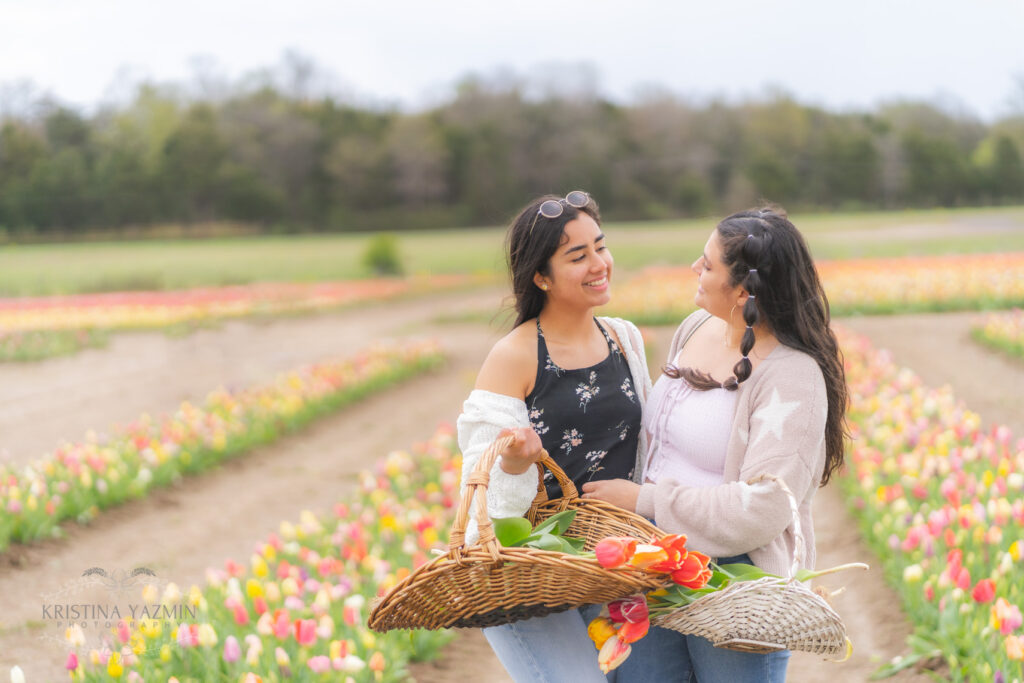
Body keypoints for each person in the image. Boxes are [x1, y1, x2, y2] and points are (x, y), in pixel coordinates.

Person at [582, 207, 849, 683]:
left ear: (744, 290)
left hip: (733, 581)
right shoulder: (696, 328)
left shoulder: (792, 376)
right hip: (652, 561)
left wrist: (646, 500)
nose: (693, 269)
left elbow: (766, 506)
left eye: (707, 265)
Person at [456, 190, 653, 683]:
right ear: (541, 277)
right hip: (533, 568)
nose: (599, 263)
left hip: (612, 560)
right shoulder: (515, 355)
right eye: (577, 256)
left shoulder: (623, 338)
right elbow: (481, 487)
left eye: (600, 247)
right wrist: (517, 463)